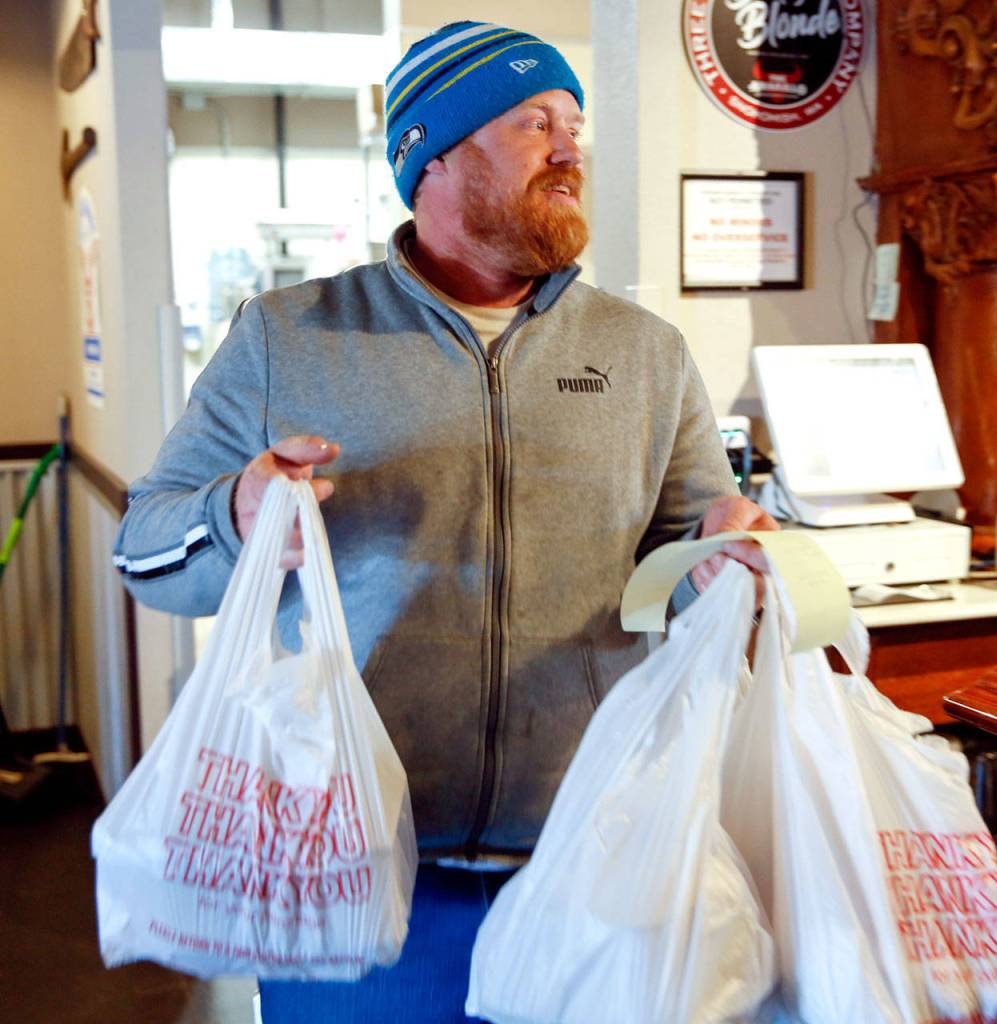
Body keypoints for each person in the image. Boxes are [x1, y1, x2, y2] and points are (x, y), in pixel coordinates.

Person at [113, 20, 777, 1023]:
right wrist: (238, 512)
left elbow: (671, 567)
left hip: (590, 866)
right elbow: (146, 552)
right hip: (358, 876)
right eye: (531, 123)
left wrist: (717, 562)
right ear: (430, 155)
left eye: (573, 125)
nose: (569, 150)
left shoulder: (646, 353)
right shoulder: (289, 339)